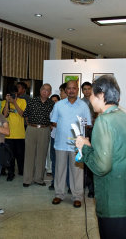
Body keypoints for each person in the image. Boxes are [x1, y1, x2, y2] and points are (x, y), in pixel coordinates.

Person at [75, 75, 126, 239]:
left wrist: (84, 148)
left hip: (114, 203)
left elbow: (101, 166)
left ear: (101, 95)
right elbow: (119, 153)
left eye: (91, 94)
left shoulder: (103, 121)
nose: (89, 99)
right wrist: (92, 148)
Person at [50, 80, 91, 208]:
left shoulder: (83, 106)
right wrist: (65, 127)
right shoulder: (59, 105)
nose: (71, 90)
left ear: (77, 89)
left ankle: (77, 196)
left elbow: (87, 124)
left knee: (77, 172)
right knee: (60, 170)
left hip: (77, 145)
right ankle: (59, 194)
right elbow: (53, 121)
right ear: (65, 90)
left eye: (74, 88)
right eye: (69, 88)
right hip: (61, 143)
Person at [22, 84, 55, 187]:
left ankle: (39, 179)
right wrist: (31, 125)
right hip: (31, 129)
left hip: (45, 130)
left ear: (50, 92)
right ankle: (27, 179)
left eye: (48, 90)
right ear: (40, 90)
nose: (45, 92)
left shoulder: (52, 104)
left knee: (42, 155)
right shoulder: (32, 101)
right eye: (44, 89)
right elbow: (25, 114)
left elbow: (54, 119)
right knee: (29, 155)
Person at [1, 85, 27, 181]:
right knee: (10, 156)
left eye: (14, 93)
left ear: (17, 93)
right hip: (8, 134)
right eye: (11, 94)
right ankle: (10, 173)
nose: (13, 95)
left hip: (20, 134)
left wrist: (14, 102)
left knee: (20, 155)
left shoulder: (22, 101)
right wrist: (7, 102)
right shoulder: (3, 102)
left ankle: (21, 170)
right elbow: (4, 114)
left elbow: (22, 114)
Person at [81, 81, 96, 198]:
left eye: (88, 89)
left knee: (92, 159)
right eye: (84, 89)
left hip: (95, 132)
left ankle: (92, 188)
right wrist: (85, 124)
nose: (87, 91)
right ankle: (81, 184)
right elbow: (78, 117)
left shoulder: (96, 100)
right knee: (83, 158)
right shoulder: (79, 102)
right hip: (83, 132)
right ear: (82, 91)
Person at [48, 94, 60, 190]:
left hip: (64, 139)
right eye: (52, 101)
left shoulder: (62, 108)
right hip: (54, 138)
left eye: (55, 100)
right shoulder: (52, 111)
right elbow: (52, 122)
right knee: (54, 161)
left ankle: (67, 183)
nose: (54, 102)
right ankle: (54, 182)